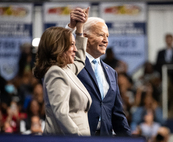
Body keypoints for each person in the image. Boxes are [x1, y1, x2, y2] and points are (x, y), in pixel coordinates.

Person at [66, 16, 131, 136]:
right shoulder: (72, 65)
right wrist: (70, 28)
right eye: (101, 35)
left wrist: (130, 139)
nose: (106, 40)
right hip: (78, 136)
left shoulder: (112, 72)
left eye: (107, 36)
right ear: (85, 37)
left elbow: (117, 114)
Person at [33, 7, 92, 136]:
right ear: (59, 48)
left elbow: (80, 61)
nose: (75, 50)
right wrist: (78, 137)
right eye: (72, 45)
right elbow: (61, 113)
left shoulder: (64, 69)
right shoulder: (56, 73)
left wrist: (79, 28)